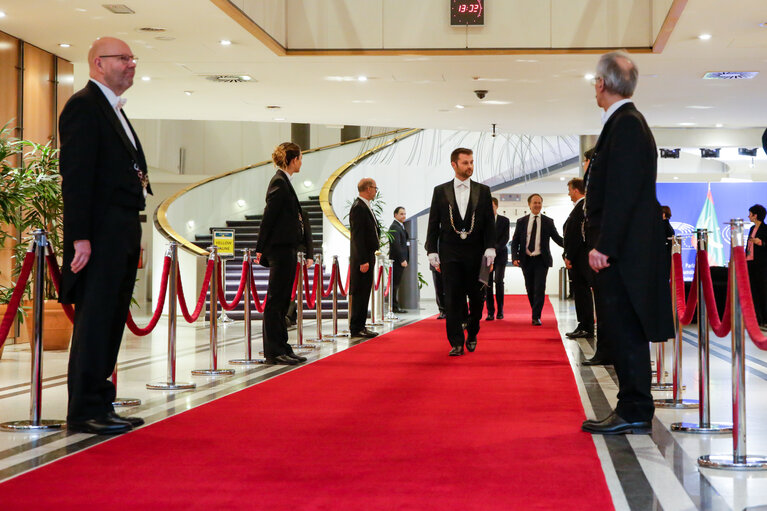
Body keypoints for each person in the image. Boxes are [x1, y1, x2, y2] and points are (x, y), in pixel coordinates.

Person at [59, 37, 150, 435]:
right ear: (98, 63)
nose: (131, 64)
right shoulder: (84, 105)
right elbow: (76, 177)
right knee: (95, 320)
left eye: (132, 58)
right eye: (123, 58)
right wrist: (80, 237)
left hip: (120, 229)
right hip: (98, 233)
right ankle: (84, 409)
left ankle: (101, 401)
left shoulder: (112, 109)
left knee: (112, 319)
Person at [581, 51, 674, 435]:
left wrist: (605, 245)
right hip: (625, 250)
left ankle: (634, 408)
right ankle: (632, 405)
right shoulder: (623, 123)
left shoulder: (627, 125)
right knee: (621, 329)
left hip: (624, 253)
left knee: (626, 328)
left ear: (601, 84)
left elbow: (622, 194)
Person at [425, 147, 495, 356]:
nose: (470, 166)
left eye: (472, 162)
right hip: (450, 253)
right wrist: (432, 250)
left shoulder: (483, 191)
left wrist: (490, 247)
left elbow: (489, 224)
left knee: (476, 299)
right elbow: (433, 222)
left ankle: (472, 332)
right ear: (454, 165)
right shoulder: (440, 191)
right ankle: (455, 342)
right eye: (465, 163)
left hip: (476, 253)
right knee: (453, 298)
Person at [255, 142, 314, 365]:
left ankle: (283, 346)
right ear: (292, 159)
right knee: (275, 301)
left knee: (282, 302)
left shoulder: (285, 181)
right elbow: (268, 217)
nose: (301, 162)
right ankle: (273, 350)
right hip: (279, 249)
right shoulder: (279, 182)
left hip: (287, 248)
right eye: (299, 158)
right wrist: (259, 248)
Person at [510, 193, 563, 326]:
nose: (537, 205)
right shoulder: (522, 221)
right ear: (529, 204)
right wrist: (515, 257)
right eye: (535, 202)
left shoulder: (548, 221)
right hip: (526, 259)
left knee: (540, 287)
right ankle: (535, 309)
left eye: (539, 202)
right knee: (530, 288)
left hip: (541, 260)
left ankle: (536, 316)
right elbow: (515, 241)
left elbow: (557, 238)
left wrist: (571, 245)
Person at [349, 178, 381, 338]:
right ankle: (356, 327)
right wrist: (363, 260)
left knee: (365, 291)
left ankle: (361, 325)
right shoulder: (358, 208)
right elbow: (358, 237)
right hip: (362, 258)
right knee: (360, 292)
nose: (376, 191)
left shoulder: (364, 206)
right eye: (375, 188)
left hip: (368, 255)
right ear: (368, 189)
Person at [563, 178, 594, 340]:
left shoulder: (582, 207)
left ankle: (586, 326)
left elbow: (576, 236)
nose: (569, 194)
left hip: (580, 259)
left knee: (583, 294)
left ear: (575, 190)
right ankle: (583, 324)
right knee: (580, 294)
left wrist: (569, 256)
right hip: (578, 258)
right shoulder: (579, 208)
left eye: (569, 190)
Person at [486, 197, 510, 320]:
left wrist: (494, 249)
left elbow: (505, 238)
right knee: (487, 284)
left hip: (500, 255)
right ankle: (490, 312)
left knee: (499, 281)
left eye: (492, 206)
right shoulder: (483, 221)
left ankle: (500, 310)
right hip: (486, 257)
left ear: (496, 206)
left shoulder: (504, 220)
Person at [746, 204, 767, 327]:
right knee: (752, 291)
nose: (748, 216)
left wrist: (760, 242)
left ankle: (765, 318)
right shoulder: (751, 228)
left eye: (750, 214)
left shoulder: (765, 229)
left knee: (762, 291)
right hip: (750, 262)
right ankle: (757, 319)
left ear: (756, 215)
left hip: (761, 265)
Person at [388, 206, 409, 313]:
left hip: (399, 261)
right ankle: (394, 307)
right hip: (396, 261)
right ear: (395, 215)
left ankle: (395, 306)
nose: (404, 216)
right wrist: (402, 259)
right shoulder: (394, 227)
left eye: (405, 214)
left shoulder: (400, 226)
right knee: (394, 284)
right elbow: (396, 245)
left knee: (396, 284)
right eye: (401, 214)